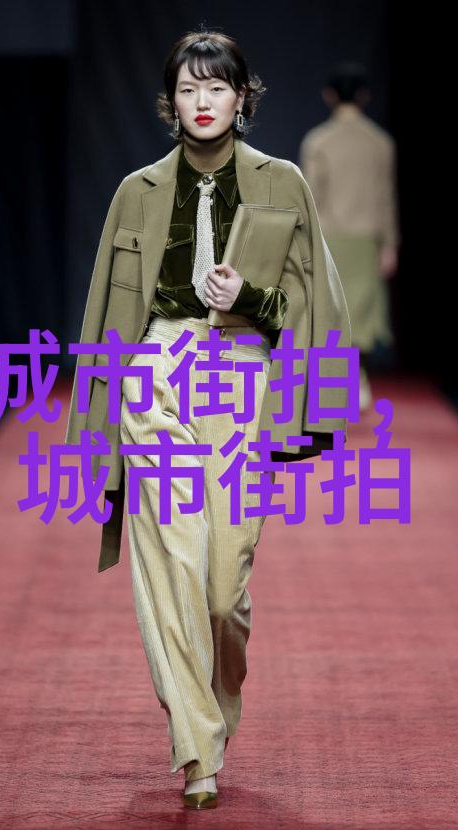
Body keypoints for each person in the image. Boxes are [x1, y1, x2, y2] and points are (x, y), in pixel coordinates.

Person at [65, 30, 351, 809]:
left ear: (241, 97)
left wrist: (247, 299)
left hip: (239, 379)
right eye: (188, 89)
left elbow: (317, 303)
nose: (201, 102)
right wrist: (94, 427)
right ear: (170, 102)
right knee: (172, 562)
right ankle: (196, 748)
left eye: (216, 88)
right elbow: (105, 313)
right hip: (156, 375)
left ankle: (212, 717)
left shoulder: (282, 182)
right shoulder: (136, 191)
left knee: (224, 591)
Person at [299, 61, 400, 410]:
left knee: (330, 311)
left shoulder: (318, 140)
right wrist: (390, 244)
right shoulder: (380, 142)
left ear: (329, 96)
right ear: (364, 96)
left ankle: (335, 385)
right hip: (366, 238)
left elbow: (311, 195)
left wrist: (305, 240)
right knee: (362, 314)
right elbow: (386, 197)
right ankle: (358, 380)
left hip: (328, 236)